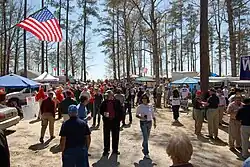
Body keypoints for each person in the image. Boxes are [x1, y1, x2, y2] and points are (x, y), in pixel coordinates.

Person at [100, 90, 123, 156]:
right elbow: (101, 110)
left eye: (109, 95)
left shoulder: (117, 102)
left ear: (112, 95)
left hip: (115, 122)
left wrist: (120, 119)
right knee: (106, 136)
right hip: (107, 121)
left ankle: (115, 150)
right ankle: (106, 149)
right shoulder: (104, 102)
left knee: (115, 136)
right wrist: (104, 113)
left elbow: (121, 111)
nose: (108, 96)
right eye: (107, 95)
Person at [136, 93, 156, 159]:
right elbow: (137, 115)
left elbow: (153, 114)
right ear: (141, 99)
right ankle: (146, 152)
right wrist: (141, 117)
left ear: (147, 99)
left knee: (147, 137)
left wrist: (155, 122)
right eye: (143, 99)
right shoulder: (139, 106)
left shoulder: (150, 106)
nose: (144, 100)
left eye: (145, 99)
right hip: (143, 123)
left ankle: (144, 144)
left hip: (149, 122)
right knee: (145, 137)